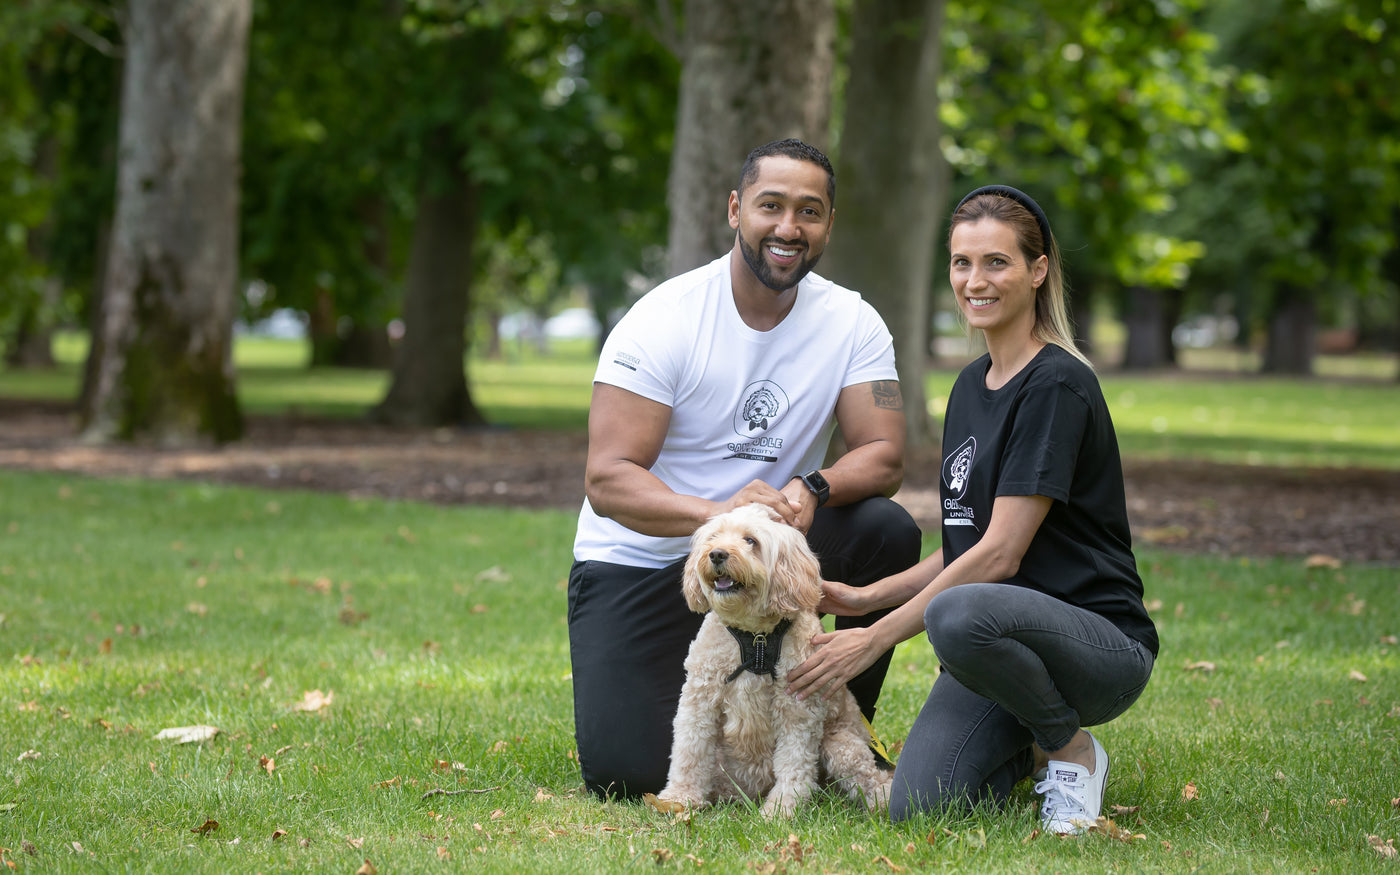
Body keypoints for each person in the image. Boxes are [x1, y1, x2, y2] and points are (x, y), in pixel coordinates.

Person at [785, 184, 1159, 832]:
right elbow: (964, 548)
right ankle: (1026, 740)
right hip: (995, 638)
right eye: (962, 262)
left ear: (1038, 271)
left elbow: (1001, 552)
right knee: (920, 806)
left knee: (954, 612)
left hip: (1096, 644)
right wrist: (862, 597)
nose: (974, 280)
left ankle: (1068, 746)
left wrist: (873, 638)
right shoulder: (968, 386)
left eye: (996, 262)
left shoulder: (1058, 384)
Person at [567, 138, 922, 800]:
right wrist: (723, 518)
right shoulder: (664, 319)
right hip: (641, 560)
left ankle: (830, 724)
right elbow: (609, 478)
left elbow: (885, 455)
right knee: (628, 770)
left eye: (810, 211)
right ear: (735, 209)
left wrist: (810, 486)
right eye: (771, 206)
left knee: (885, 529)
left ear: (829, 224)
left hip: (773, 559)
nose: (789, 228)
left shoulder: (852, 321)